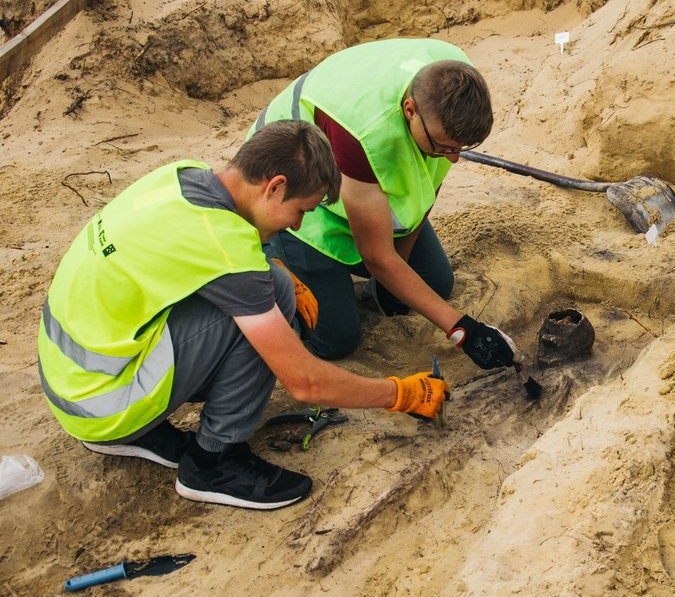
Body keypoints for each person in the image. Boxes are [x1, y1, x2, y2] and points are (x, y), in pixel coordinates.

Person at [37, 121, 450, 511]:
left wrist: (276, 269)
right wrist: (400, 394)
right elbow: (305, 382)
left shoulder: (182, 175)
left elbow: (214, 249)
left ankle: (136, 430)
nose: (297, 224)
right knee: (267, 297)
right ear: (275, 186)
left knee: (271, 280)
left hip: (70, 379)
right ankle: (213, 463)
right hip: (102, 401)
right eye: (301, 210)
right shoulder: (224, 243)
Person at [252, 38, 520, 372]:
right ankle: (276, 262)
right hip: (299, 194)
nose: (454, 157)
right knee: (338, 340)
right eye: (445, 146)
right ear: (410, 111)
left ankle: (343, 285)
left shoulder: (455, 84)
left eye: (461, 147)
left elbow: (427, 187)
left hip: (361, 179)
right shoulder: (363, 133)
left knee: (435, 284)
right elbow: (377, 257)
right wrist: (463, 330)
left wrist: (398, 268)